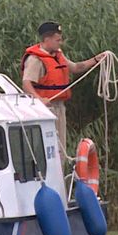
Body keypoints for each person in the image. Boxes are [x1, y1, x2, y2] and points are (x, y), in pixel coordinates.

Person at [21, 21, 106, 157]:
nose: (60, 43)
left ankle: (60, 172)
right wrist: (39, 99)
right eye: (57, 40)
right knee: (45, 148)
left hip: (59, 107)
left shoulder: (58, 55)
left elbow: (77, 68)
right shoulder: (35, 59)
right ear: (47, 40)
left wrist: (97, 59)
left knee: (60, 149)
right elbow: (26, 83)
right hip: (45, 109)